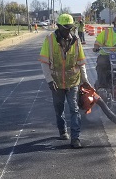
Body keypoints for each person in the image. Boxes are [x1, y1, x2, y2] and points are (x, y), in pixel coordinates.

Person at [39, 13, 92, 149]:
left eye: (70, 28)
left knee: (74, 109)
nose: (68, 31)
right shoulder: (49, 40)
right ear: (59, 27)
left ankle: (75, 138)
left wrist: (84, 80)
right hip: (56, 82)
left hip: (72, 81)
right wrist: (49, 80)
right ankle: (63, 130)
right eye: (65, 28)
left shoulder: (76, 41)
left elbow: (81, 62)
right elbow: (44, 63)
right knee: (59, 108)